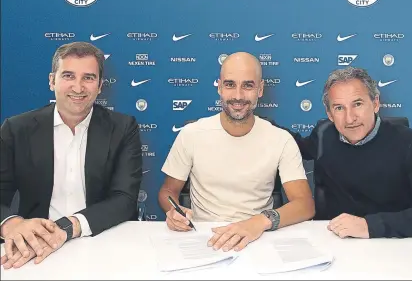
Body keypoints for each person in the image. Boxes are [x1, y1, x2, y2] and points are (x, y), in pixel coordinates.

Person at [0, 42, 143, 269]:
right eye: (68, 76)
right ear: (51, 81)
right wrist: (11, 224)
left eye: (88, 78)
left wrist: (68, 227)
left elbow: (124, 199)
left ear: (100, 86)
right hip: (35, 245)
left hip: (102, 240)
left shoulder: (123, 128)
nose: (78, 87)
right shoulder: (17, 129)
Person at [158, 52, 315, 252]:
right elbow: (168, 191)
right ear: (220, 87)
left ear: (260, 89)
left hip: (259, 238)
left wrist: (259, 222)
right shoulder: (191, 134)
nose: (238, 96)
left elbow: (305, 205)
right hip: (203, 237)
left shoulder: (281, 139)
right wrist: (173, 211)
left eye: (248, 85)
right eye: (230, 84)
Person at [283, 67, 412, 239]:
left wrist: (370, 226)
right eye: (339, 108)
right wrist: (251, 121)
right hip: (334, 242)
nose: (350, 118)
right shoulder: (323, 136)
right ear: (330, 114)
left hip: (389, 245)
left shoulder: (411, 144)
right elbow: (289, 141)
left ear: (376, 103)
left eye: (357, 104)